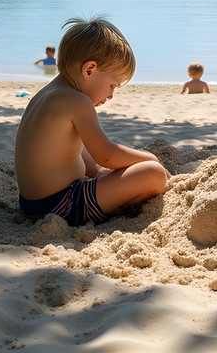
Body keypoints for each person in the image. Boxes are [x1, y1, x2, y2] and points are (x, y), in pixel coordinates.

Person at [13, 15, 169, 226]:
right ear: (89, 70)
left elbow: (70, 149)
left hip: (32, 204)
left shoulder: (50, 93)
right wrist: (149, 157)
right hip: (61, 206)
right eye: (113, 85)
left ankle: (97, 177)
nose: (111, 95)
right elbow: (107, 155)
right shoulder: (77, 101)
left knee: (81, 144)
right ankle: (118, 206)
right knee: (154, 173)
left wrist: (96, 170)